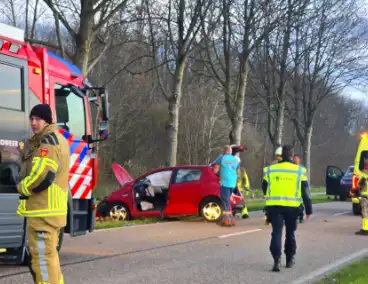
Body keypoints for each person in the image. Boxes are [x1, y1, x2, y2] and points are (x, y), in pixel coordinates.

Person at [16, 104, 70, 284]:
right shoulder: (56, 139)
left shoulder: (48, 142)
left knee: (43, 261)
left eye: (37, 119)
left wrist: (21, 187)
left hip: (44, 212)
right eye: (31, 119)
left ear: (47, 120)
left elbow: (43, 175)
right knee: (48, 259)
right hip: (47, 212)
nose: (33, 123)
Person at [262, 145, 313, 272]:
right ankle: (289, 259)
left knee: (276, 232)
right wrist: (309, 210)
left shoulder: (270, 169)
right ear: (292, 156)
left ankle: (276, 261)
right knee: (290, 233)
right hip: (293, 208)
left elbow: (264, 187)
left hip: (274, 207)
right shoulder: (299, 171)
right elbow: (305, 192)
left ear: (280, 156)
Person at [213, 145, 240, 227]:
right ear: (230, 152)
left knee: (225, 201)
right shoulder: (235, 159)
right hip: (233, 183)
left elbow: (215, 169)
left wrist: (218, 174)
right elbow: (238, 172)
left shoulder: (222, 157)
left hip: (225, 183)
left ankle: (228, 221)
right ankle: (227, 219)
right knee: (227, 200)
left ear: (224, 151)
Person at [356, 156, 368, 235]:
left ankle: (365, 229)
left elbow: (359, 186)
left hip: (365, 197)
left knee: (365, 213)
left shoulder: (364, 177)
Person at [293, 154, 305, 224]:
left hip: (300, 187)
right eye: (294, 159)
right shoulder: (291, 168)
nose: (295, 160)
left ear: (299, 160)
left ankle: (301, 216)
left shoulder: (302, 168)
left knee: (300, 203)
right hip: (293, 188)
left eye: (296, 159)